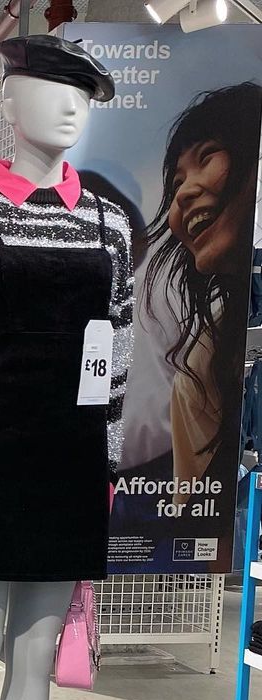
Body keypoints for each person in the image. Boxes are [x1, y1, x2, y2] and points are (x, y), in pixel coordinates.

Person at [143, 82, 262, 503]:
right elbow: (194, 513)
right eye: (177, 182)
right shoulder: (201, 364)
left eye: (208, 157)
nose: (184, 193)